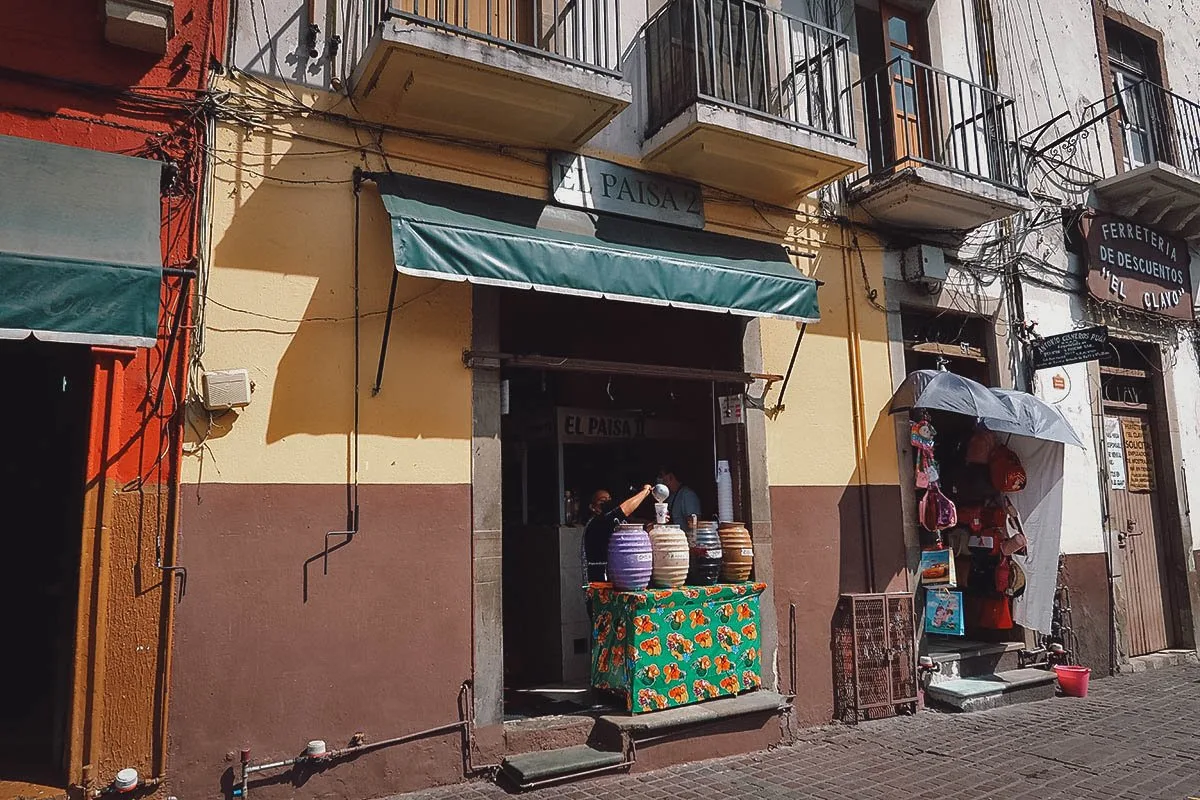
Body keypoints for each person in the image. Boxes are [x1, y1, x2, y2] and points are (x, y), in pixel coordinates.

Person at [582, 484, 654, 584]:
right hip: (600, 579)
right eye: (602, 500)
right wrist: (645, 492)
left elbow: (634, 525)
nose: (607, 502)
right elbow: (623, 510)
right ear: (592, 507)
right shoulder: (597, 522)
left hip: (618, 574)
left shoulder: (613, 520)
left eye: (609, 499)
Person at [657, 465, 701, 533]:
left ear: (670, 477)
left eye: (661, 476)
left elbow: (694, 522)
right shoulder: (670, 496)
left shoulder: (687, 495)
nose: (660, 479)